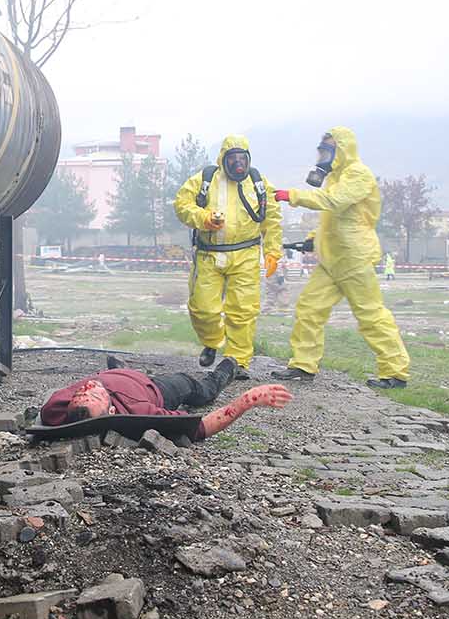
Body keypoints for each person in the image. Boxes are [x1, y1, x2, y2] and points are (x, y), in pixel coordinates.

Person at [271, 127, 412, 389]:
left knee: (370, 314)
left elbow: (334, 202)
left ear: (342, 149)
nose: (322, 155)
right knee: (309, 309)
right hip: (332, 259)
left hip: (354, 257)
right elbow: (333, 217)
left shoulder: (358, 174)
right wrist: (314, 238)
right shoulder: (335, 177)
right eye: (321, 150)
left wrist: (292, 196)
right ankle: (303, 365)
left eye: (328, 150)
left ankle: (395, 372)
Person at [173, 135, 282, 379]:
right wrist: (203, 218)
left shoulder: (258, 183)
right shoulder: (206, 179)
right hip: (209, 256)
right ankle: (212, 341)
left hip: (246, 255)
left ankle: (238, 361)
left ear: (248, 158)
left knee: (243, 311)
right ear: (224, 159)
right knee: (202, 308)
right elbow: (182, 204)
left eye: (242, 158)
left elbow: (272, 217)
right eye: (232, 159)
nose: (238, 164)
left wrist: (273, 251)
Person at [40, 356, 293, 442]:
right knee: (203, 391)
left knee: (111, 375)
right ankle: (228, 367)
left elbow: (51, 419)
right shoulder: (139, 413)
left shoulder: (57, 410)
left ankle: (121, 367)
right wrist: (246, 401)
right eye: (94, 394)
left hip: (119, 375)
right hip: (159, 388)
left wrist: (99, 384)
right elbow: (200, 427)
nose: (87, 387)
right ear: (111, 411)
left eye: (83, 391)